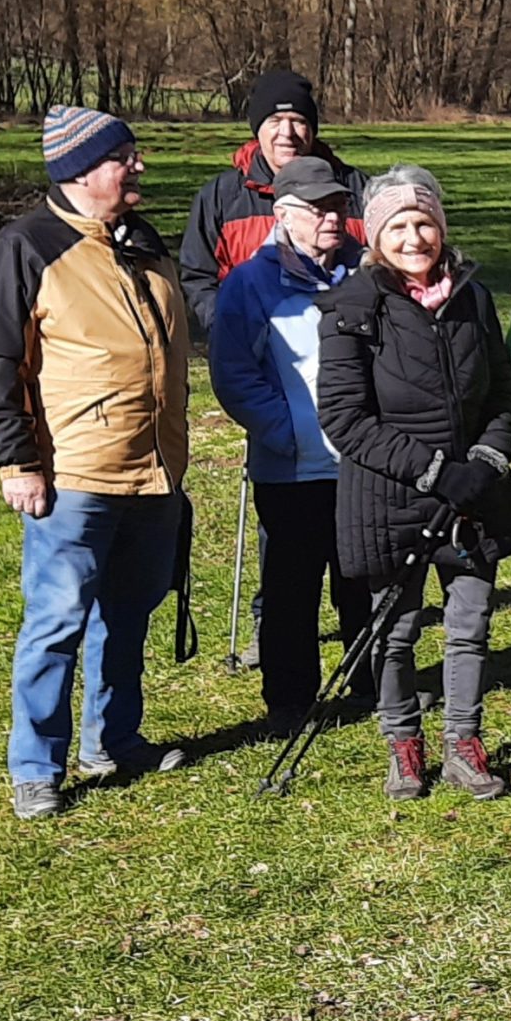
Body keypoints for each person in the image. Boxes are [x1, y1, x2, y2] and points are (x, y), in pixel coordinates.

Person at [0, 107, 191, 819]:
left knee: (130, 613)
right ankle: (36, 765)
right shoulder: (28, 246)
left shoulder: (143, 242)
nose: (139, 168)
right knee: (57, 619)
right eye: (125, 157)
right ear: (81, 171)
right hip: (74, 475)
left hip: (154, 470)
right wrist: (16, 461)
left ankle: (114, 739)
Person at [318, 165, 511, 803]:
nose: (415, 238)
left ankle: (464, 740)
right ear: (377, 237)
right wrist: (434, 472)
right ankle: (403, 744)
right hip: (389, 496)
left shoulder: (472, 297)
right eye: (400, 227)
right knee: (397, 630)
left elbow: (500, 391)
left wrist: (489, 457)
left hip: (472, 493)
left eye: (425, 224)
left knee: (471, 623)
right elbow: (344, 418)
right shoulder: (353, 307)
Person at [206, 155, 371, 730]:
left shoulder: (366, 273)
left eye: (340, 206)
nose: (334, 218)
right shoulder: (251, 283)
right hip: (291, 468)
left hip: (362, 464)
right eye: (320, 208)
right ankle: (290, 701)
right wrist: (288, 432)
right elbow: (233, 375)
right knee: (290, 591)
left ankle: (371, 684)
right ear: (285, 213)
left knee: (363, 581)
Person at [180, 69, 370, 336]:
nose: (287, 133)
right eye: (275, 120)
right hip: (250, 347)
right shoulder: (221, 198)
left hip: (344, 345)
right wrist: (228, 325)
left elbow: (386, 267)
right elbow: (199, 278)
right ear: (258, 129)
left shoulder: (357, 191)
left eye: (298, 120)